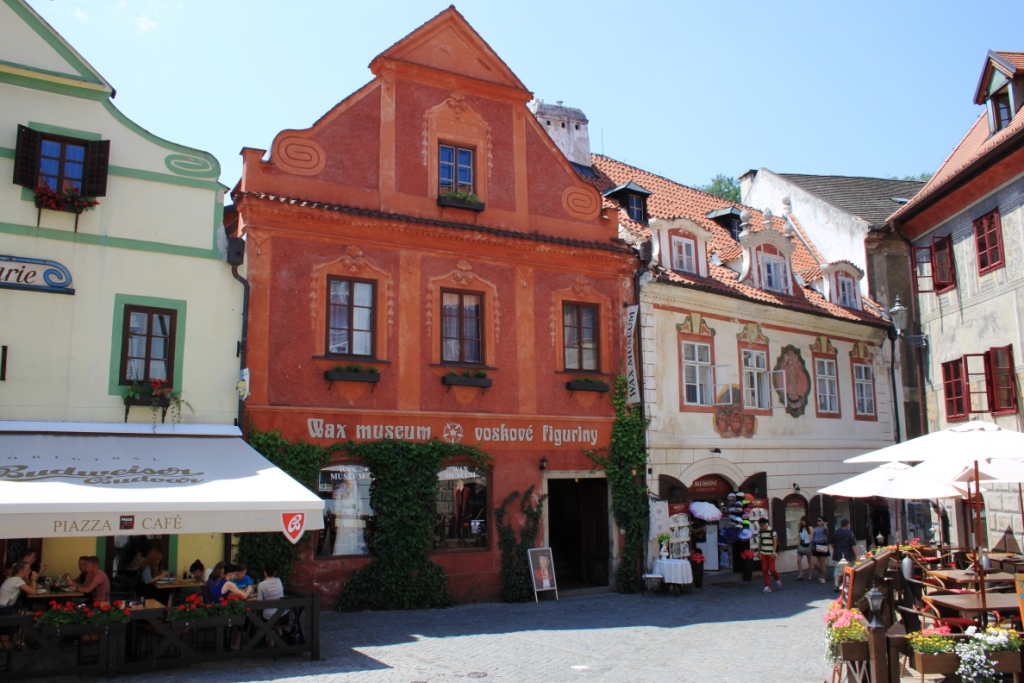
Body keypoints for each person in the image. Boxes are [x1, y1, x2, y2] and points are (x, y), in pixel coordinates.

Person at [832, 518, 858, 592]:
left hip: (838, 553)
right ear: (847, 524)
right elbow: (853, 545)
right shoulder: (849, 533)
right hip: (848, 554)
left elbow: (832, 543)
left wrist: (835, 549)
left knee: (837, 569)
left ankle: (836, 585)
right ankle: (846, 584)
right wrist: (856, 555)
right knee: (848, 569)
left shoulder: (836, 532)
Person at [757, 518, 781, 593]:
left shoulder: (772, 531)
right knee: (764, 570)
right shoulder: (761, 532)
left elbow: (775, 542)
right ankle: (767, 586)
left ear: (765, 524)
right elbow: (760, 542)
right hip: (764, 552)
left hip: (771, 553)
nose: (761, 527)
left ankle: (777, 578)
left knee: (772, 569)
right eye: (760, 525)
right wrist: (759, 552)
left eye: (762, 525)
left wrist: (774, 552)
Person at [810, 516, 830, 584]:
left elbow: (826, 530)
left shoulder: (824, 529)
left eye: (820, 520)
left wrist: (825, 524)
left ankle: (823, 578)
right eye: (817, 520)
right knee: (815, 563)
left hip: (822, 545)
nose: (818, 521)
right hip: (816, 545)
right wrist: (811, 547)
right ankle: (822, 573)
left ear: (823, 522)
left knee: (822, 563)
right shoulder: (815, 529)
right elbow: (812, 538)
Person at [795, 516, 812, 580]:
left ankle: (810, 575)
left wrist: (811, 546)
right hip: (802, 545)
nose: (802, 522)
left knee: (809, 561)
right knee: (798, 560)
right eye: (802, 521)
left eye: (804, 521)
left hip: (808, 545)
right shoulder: (800, 528)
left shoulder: (810, 528)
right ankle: (800, 574)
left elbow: (812, 537)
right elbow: (799, 537)